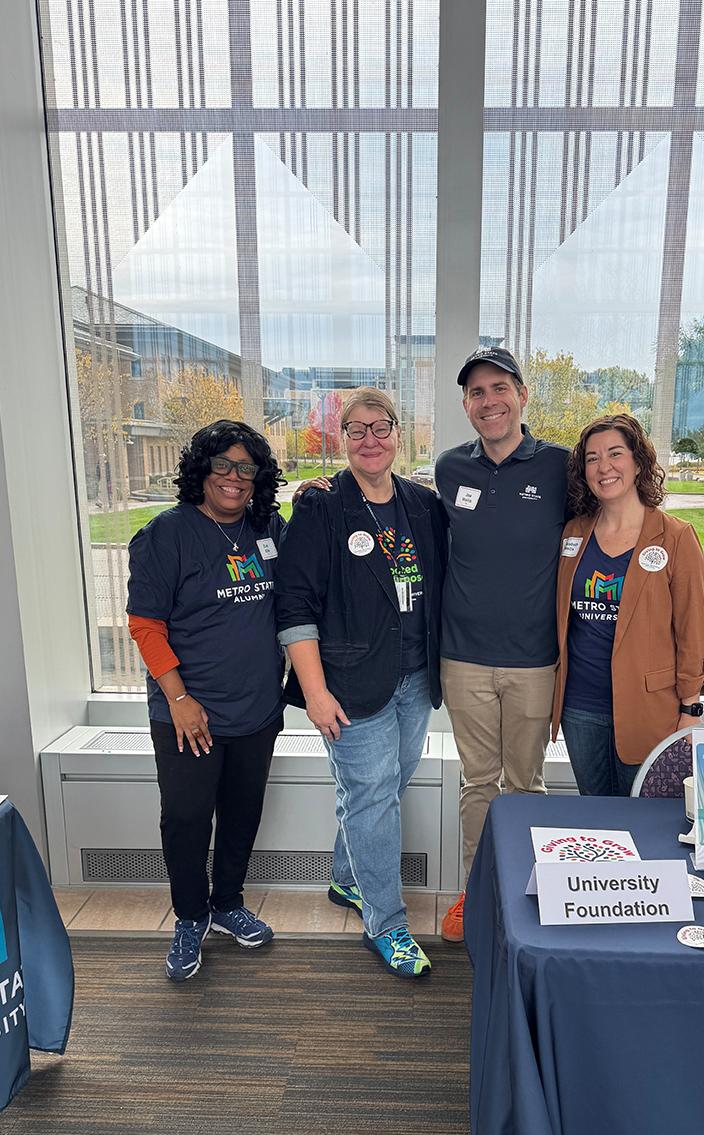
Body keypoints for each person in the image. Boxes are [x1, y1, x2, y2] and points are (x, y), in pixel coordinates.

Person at [276, 388, 447, 978]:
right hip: (349, 683)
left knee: (384, 788)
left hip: (415, 675)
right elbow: (294, 604)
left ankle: (347, 880)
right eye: (357, 430)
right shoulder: (321, 507)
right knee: (373, 798)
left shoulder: (422, 504)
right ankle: (388, 924)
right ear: (340, 439)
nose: (370, 439)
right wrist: (316, 692)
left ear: (400, 434)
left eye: (382, 427)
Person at [126, 420, 286, 982]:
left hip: (257, 708)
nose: (234, 479)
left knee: (242, 814)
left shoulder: (268, 527)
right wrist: (178, 697)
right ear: (201, 471)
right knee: (188, 819)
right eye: (223, 466)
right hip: (188, 712)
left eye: (246, 468)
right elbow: (145, 625)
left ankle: (227, 905)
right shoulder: (166, 535)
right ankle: (190, 917)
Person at [434, 347, 570, 940]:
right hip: (462, 656)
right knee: (477, 783)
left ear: (522, 394)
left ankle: (524, 893)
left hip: (534, 660)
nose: (488, 402)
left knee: (525, 784)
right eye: (476, 393)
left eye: (498, 389)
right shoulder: (449, 469)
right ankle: (476, 893)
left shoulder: (560, 468)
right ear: (466, 405)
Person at [551, 412, 704, 794]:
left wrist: (691, 711)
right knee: (596, 814)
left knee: (644, 819)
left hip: (648, 708)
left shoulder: (675, 538)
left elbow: (692, 630)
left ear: (638, 462)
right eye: (592, 458)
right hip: (581, 706)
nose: (603, 466)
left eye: (615, 454)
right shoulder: (574, 532)